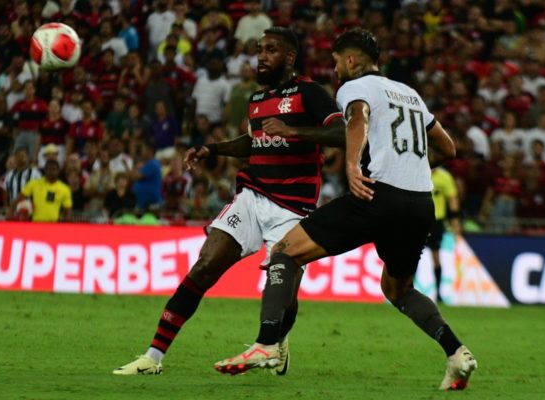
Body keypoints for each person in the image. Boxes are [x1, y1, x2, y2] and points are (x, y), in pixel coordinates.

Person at [215, 28, 477, 391]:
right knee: (399, 290)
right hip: (419, 205)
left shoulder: (355, 88)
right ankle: (456, 353)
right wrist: (407, 168)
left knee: (284, 253)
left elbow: (357, 119)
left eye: (337, 62)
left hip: (376, 195)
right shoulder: (410, 93)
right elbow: (447, 149)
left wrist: (353, 165)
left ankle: (267, 344)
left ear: (351, 60)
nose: (335, 70)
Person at [113, 27, 344, 376]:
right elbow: (253, 142)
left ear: (290, 57)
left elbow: (342, 131)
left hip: (293, 209)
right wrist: (213, 149)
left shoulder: (310, 93)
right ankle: (153, 357)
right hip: (251, 198)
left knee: (284, 292)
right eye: (259, 49)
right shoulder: (256, 100)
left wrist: (296, 131)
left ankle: (275, 343)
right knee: (205, 264)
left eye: (270, 50)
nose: (261, 56)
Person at [428, 167, 461, 302]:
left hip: (436, 221)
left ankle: (438, 292)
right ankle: (406, 289)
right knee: (411, 256)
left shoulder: (444, 177)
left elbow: (452, 200)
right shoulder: (417, 173)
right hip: (417, 220)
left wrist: (456, 225)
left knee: (436, 257)